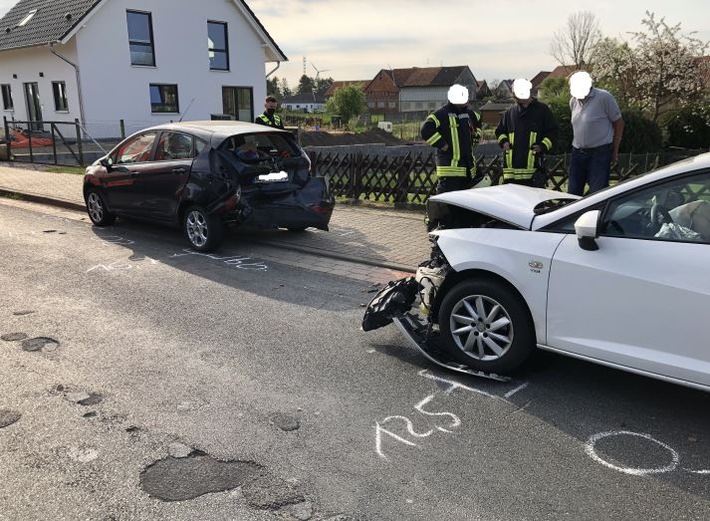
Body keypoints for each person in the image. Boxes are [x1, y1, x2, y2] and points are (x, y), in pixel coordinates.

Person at [567, 71, 624, 195]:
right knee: (572, 193)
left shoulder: (604, 97)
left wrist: (615, 150)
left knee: (597, 193)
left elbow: (618, 122)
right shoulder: (573, 101)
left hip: (599, 153)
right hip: (577, 152)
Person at [421, 84, 483, 194]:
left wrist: (475, 135)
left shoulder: (468, 114)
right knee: (446, 204)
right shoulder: (442, 114)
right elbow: (426, 130)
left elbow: (478, 120)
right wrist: (442, 144)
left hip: (467, 171)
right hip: (449, 172)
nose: (467, 100)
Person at [495, 79, 557, 188]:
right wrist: (504, 142)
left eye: (516, 94)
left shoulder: (542, 111)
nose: (514, 96)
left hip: (533, 174)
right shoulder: (509, 113)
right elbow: (500, 131)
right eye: (513, 93)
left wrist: (542, 146)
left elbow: (553, 132)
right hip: (511, 176)